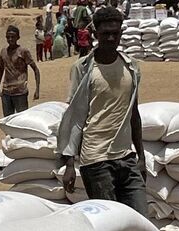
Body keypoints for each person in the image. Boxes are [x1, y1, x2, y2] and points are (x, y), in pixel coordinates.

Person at [57, 7, 146, 219]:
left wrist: (141, 156)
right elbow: (75, 117)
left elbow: (133, 113)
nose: (111, 38)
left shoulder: (131, 67)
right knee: (112, 223)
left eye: (115, 33)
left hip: (126, 157)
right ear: (95, 34)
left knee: (141, 220)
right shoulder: (83, 68)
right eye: (105, 33)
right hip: (95, 160)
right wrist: (70, 163)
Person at [0, 25, 39, 117]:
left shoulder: (23, 51)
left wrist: (37, 89)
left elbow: (35, 69)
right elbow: (1, 69)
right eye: (8, 37)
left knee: (22, 120)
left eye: (12, 37)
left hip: (20, 92)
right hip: (6, 92)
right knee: (8, 120)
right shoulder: (3, 52)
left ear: (18, 37)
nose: (10, 39)